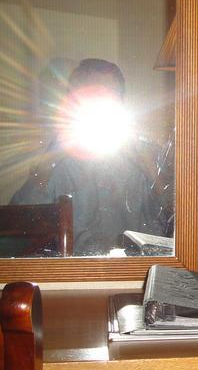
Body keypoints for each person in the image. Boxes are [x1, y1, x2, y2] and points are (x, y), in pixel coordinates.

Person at [11, 59, 167, 255]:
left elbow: (178, 221)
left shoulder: (143, 157)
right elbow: (18, 227)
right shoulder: (57, 163)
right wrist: (49, 160)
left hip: (137, 268)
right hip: (72, 271)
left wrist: (150, 167)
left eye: (109, 95)